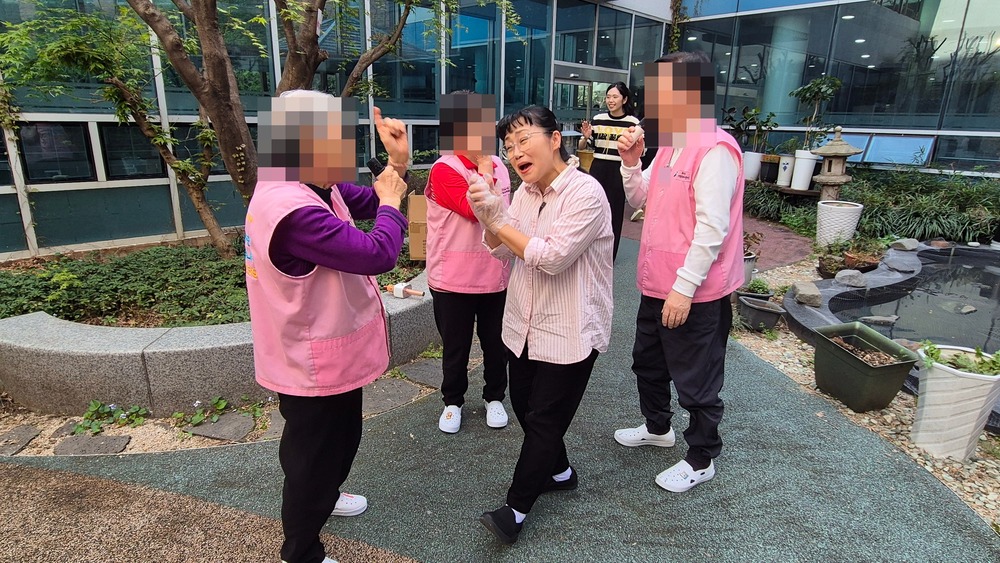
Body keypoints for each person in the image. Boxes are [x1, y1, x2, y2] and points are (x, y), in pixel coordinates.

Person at [244, 90, 410, 563]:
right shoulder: (293, 210)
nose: (346, 152)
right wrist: (393, 203)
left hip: (325, 350)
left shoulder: (312, 184)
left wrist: (398, 163)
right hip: (309, 359)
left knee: (336, 442)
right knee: (312, 459)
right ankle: (301, 551)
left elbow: (372, 198)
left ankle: (325, 495)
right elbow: (378, 252)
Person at [468, 105, 614, 544]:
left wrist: (499, 221)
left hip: (571, 327)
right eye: (508, 146)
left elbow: (550, 257)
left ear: (554, 139)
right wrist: (488, 216)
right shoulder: (526, 193)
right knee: (524, 405)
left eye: (523, 140)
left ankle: (514, 510)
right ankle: (561, 471)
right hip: (525, 323)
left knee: (546, 419)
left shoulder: (586, 193)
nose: (515, 152)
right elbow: (502, 248)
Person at [613, 52, 745, 493]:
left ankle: (701, 458)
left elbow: (713, 228)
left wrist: (684, 289)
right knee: (647, 363)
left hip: (693, 292)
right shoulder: (672, 143)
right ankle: (657, 428)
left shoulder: (715, 149)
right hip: (657, 282)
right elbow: (640, 199)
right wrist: (631, 162)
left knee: (697, 379)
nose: (651, 100)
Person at [426, 92, 512, 433]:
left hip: (495, 274)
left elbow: (507, 213)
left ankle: (495, 397)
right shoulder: (444, 168)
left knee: (496, 343)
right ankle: (453, 402)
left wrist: (489, 167)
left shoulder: (500, 165)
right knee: (456, 346)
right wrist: (485, 170)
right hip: (452, 278)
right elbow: (477, 210)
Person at [578, 82, 640, 260]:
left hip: (618, 170)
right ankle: (589, 248)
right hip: (598, 167)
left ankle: (609, 254)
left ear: (624, 99)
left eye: (615, 97)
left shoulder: (632, 123)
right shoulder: (598, 119)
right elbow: (584, 146)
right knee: (592, 208)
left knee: (615, 211)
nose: (610, 100)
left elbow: (639, 151)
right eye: (608, 97)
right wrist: (585, 137)